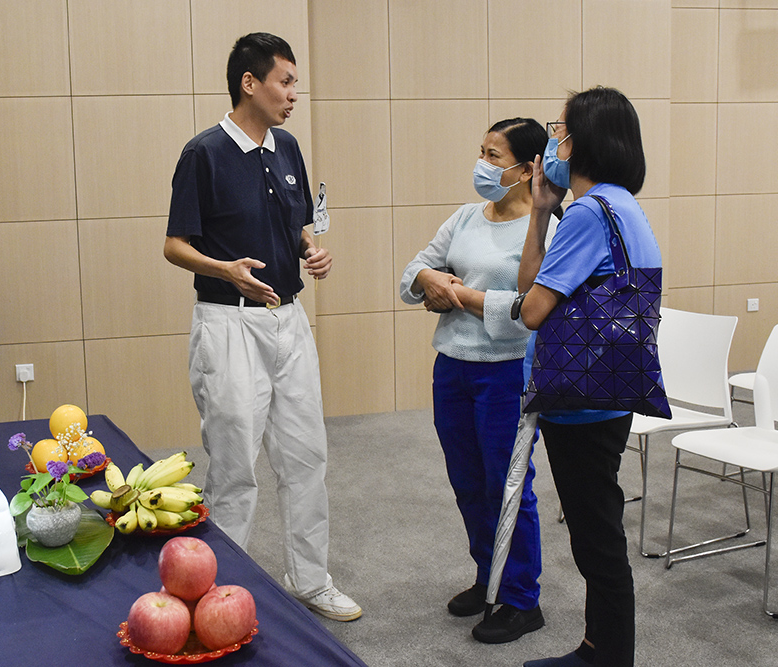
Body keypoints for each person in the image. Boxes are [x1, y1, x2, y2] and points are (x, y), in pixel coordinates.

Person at [163, 32, 361, 622]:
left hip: (290, 323)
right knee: (234, 468)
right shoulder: (203, 154)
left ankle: (310, 579)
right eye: (286, 81)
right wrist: (222, 268)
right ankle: (215, 597)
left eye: (295, 82)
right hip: (229, 327)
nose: (294, 93)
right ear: (250, 83)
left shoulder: (288, 147)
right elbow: (174, 245)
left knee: (306, 457)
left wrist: (311, 250)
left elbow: (300, 225)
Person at [514, 87, 661, 667]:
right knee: (597, 525)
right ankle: (597, 646)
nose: (554, 140)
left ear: (584, 141)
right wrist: (540, 211)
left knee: (596, 537)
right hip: (609, 389)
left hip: (581, 398)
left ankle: (608, 657)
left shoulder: (589, 213)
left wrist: (551, 214)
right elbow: (537, 282)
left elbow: (530, 306)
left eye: (560, 130)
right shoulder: (620, 204)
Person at [400, 118, 557, 644]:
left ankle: (520, 598)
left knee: (507, 483)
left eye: (495, 156)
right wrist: (431, 280)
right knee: (467, 480)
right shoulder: (466, 217)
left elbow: (526, 309)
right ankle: (488, 576)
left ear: (526, 169)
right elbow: (412, 272)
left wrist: (461, 295)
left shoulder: (541, 231)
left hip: (506, 372)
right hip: (452, 366)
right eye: (482, 153)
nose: (484, 165)